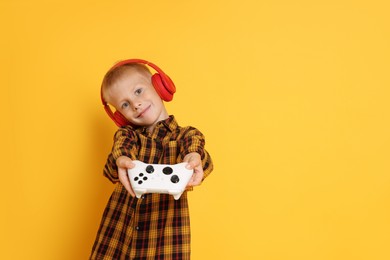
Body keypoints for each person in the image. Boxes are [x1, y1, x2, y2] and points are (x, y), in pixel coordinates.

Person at [90, 59, 213, 259]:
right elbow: (119, 154)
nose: (135, 104)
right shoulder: (128, 136)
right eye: (125, 104)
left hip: (164, 237)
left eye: (138, 91)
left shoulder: (185, 136)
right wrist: (122, 160)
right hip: (120, 230)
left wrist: (194, 157)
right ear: (120, 116)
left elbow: (197, 148)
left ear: (159, 86)